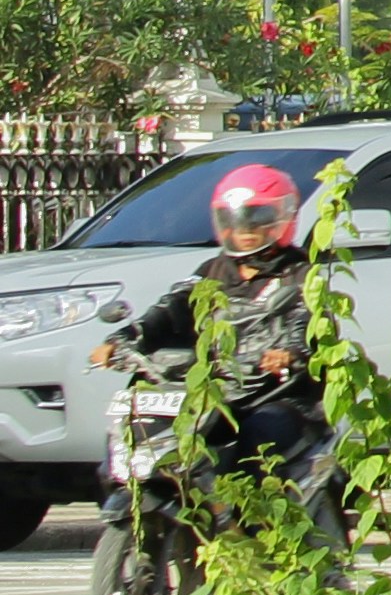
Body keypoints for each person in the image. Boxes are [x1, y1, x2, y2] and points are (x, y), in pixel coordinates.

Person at [91, 160, 325, 479]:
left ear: (281, 219)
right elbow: (172, 307)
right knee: (130, 442)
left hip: (275, 395)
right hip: (213, 392)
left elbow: (304, 319)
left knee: (257, 438)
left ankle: (248, 510)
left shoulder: (300, 274)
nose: (246, 229)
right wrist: (124, 338)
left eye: (257, 218)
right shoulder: (212, 272)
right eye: (237, 220)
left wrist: (291, 353)